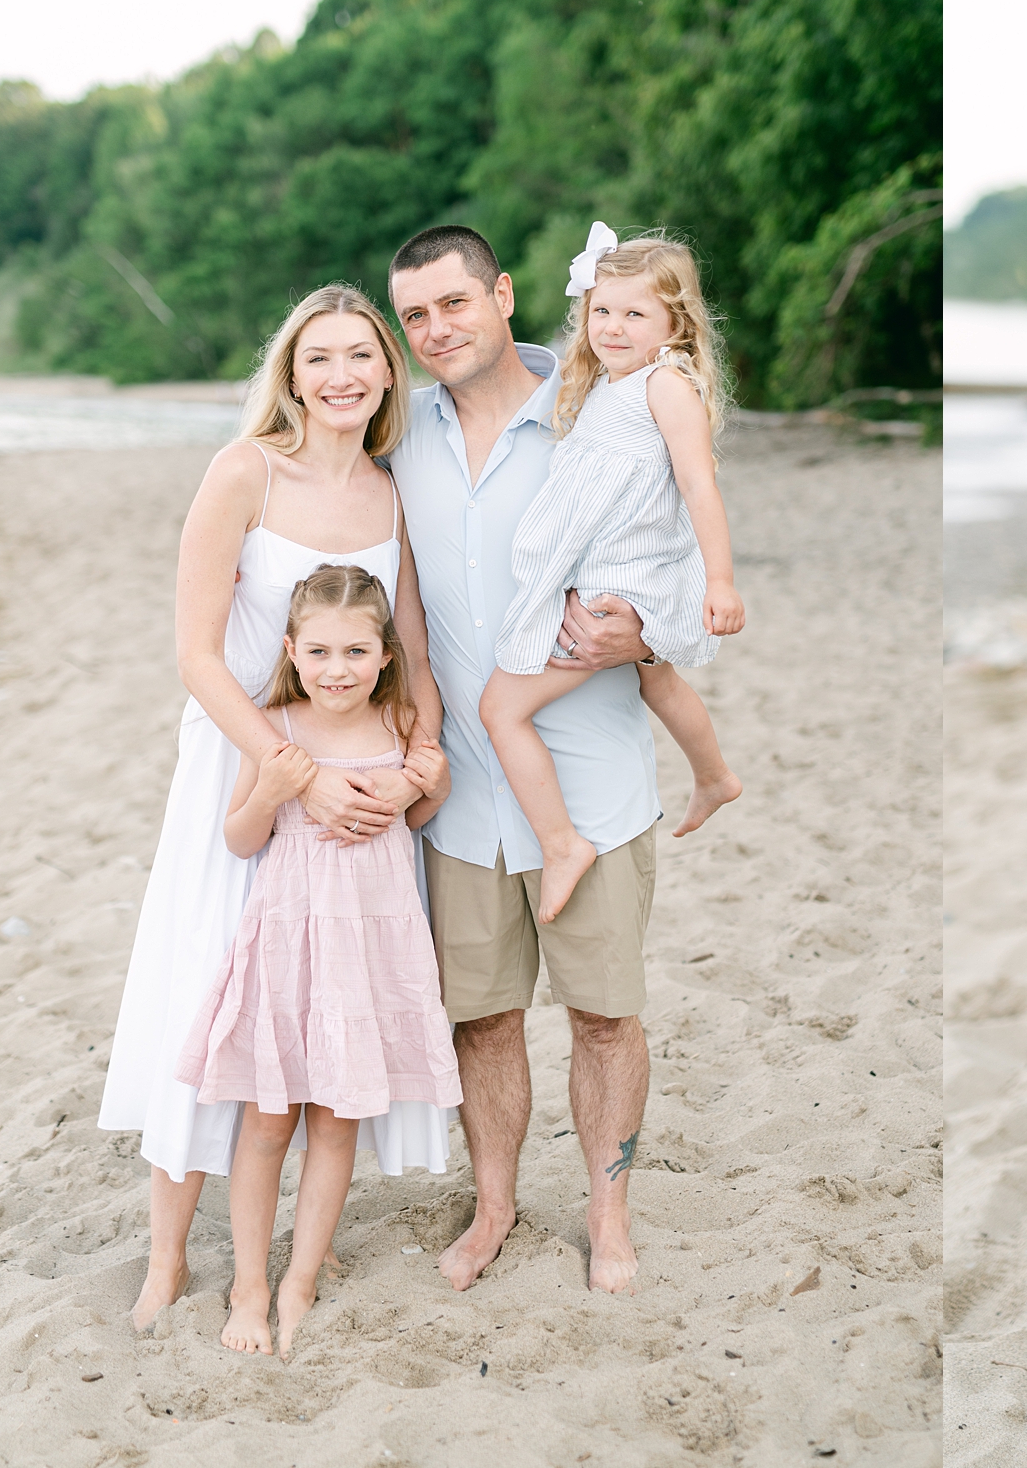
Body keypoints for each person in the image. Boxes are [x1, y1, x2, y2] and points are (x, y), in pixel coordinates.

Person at [97, 285, 454, 1332]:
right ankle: (169, 1257)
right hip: (245, 767)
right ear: (289, 376)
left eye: (361, 356)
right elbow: (198, 656)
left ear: (389, 372)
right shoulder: (243, 471)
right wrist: (288, 767)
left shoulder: (395, 495)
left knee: (318, 1006)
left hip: (358, 774)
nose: (341, 376)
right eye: (318, 359)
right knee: (205, 994)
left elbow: (418, 659)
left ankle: (300, 1253)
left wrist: (416, 761)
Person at [383, 224, 661, 1295]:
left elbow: (679, 568)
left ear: (501, 295)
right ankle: (494, 1204)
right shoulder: (396, 434)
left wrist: (645, 631)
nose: (435, 328)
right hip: (458, 790)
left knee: (604, 1015)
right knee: (483, 1017)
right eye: (414, 314)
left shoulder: (606, 410)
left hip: (590, 782)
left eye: (453, 302)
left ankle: (609, 1211)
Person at [175, 565, 461, 1355]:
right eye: (323, 651)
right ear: (294, 650)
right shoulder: (279, 727)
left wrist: (428, 787)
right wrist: (272, 790)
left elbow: (419, 819)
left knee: (337, 1120)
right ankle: (249, 1286)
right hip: (289, 945)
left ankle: (300, 1279)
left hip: (370, 948)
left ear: (385, 654)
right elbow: (239, 838)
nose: (339, 669)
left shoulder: (402, 723)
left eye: (357, 651)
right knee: (268, 1122)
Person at [480, 222, 745, 925]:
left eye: (635, 313)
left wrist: (720, 581)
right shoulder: (605, 386)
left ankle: (562, 843)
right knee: (656, 676)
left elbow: (699, 485)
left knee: (500, 710)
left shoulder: (664, 385)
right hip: (615, 572)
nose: (614, 326)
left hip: (619, 584)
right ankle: (715, 776)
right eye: (602, 310)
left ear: (674, 323)